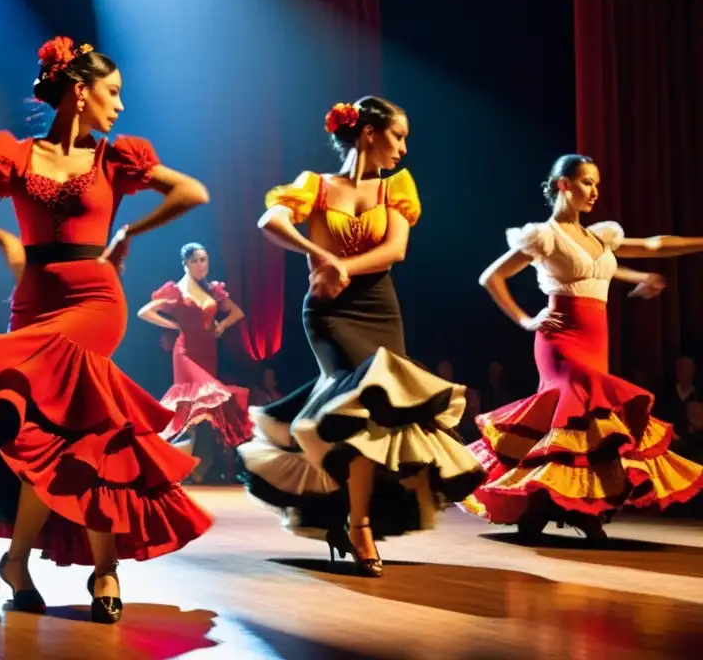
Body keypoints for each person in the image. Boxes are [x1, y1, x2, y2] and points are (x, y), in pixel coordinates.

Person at [0, 37, 213, 623]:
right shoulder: (13, 155)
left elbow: (192, 191)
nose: (119, 105)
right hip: (34, 303)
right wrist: (6, 240)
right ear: (79, 91)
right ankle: (19, 562)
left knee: (91, 426)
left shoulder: (116, 158)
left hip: (94, 301)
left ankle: (105, 568)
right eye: (112, 92)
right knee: (49, 439)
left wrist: (130, 233)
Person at [237, 97, 485, 577]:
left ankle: (351, 519)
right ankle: (358, 526)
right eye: (398, 136)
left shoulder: (396, 188)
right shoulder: (316, 185)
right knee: (354, 403)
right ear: (369, 133)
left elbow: (394, 250)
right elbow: (270, 221)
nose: (404, 148)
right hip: (328, 313)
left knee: (372, 413)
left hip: (379, 309)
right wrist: (318, 255)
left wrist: (339, 266)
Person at [463, 154, 703, 540]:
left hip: (596, 340)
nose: (595, 191)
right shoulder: (544, 236)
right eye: (588, 182)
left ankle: (564, 503)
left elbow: (655, 245)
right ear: (564, 185)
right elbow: (491, 278)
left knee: (585, 423)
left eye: (596, 183)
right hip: (560, 340)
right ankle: (554, 504)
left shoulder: (598, 237)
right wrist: (527, 320)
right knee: (579, 406)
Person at [137, 242, 251, 482]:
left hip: (207, 352)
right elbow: (144, 312)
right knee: (195, 400)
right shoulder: (176, 291)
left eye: (204, 260)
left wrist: (221, 326)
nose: (201, 265)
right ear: (186, 263)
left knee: (202, 408)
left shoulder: (212, 290)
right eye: (196, 260)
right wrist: (175, 325)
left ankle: (192, 465)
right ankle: (167, 457)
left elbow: (237, 312)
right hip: (185, 352)